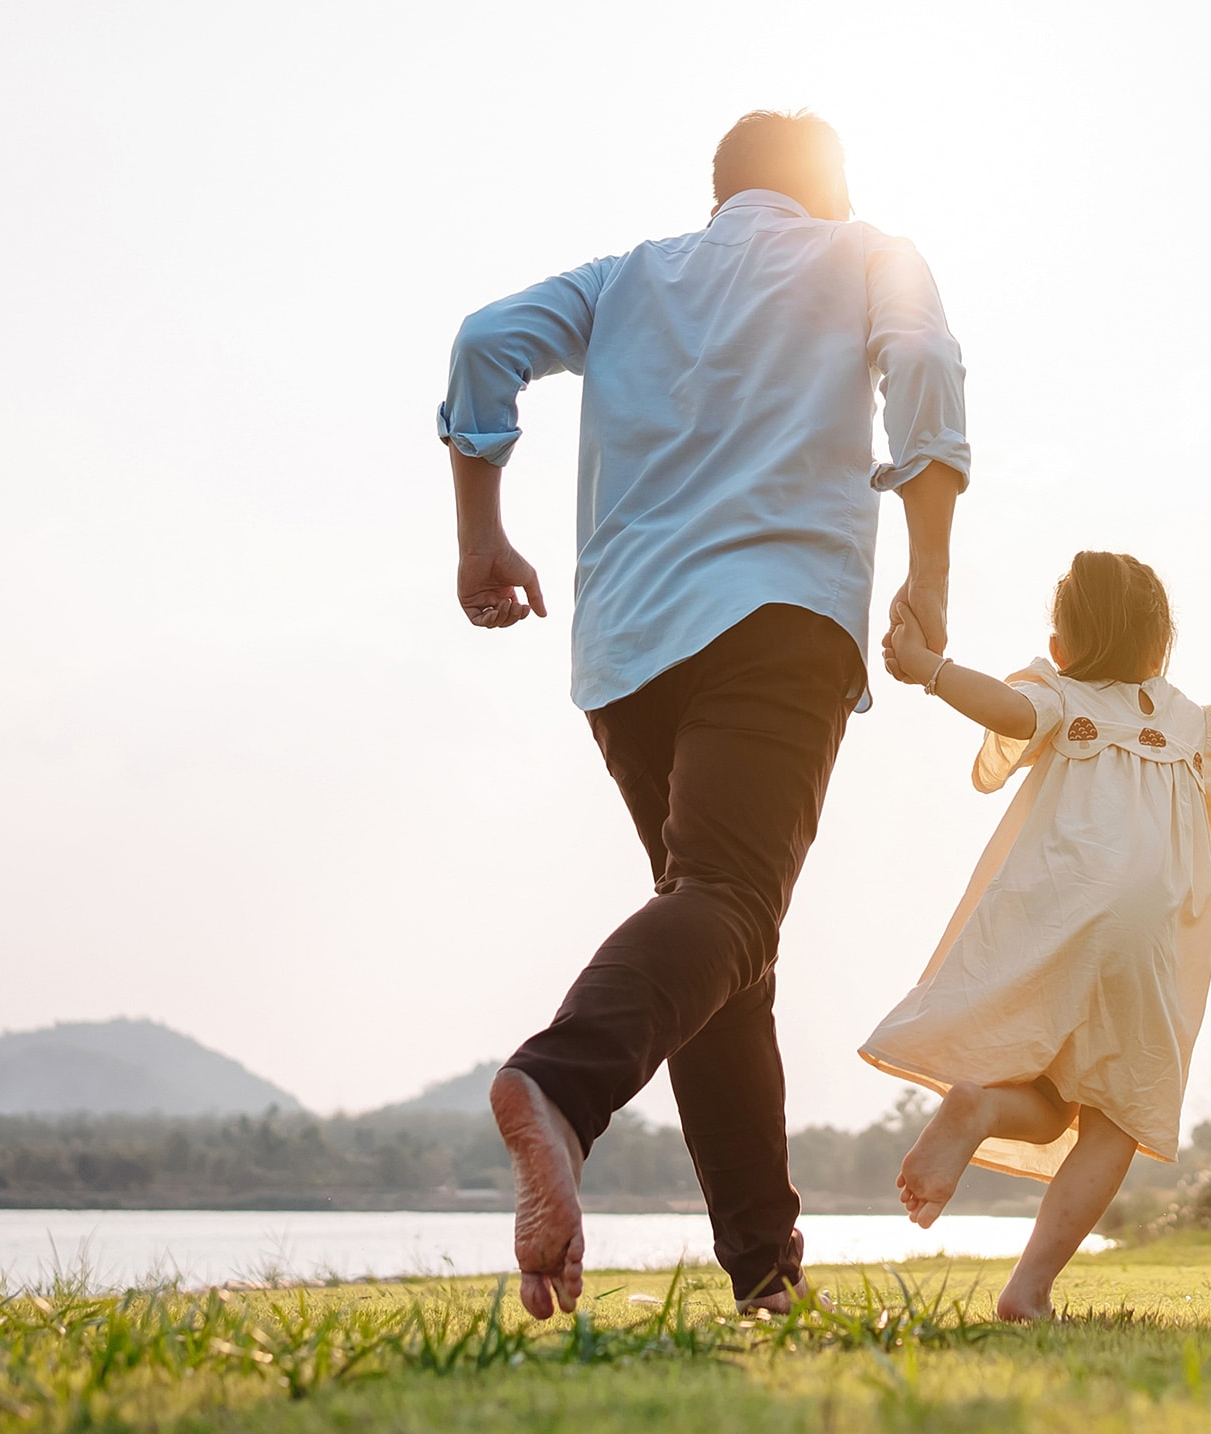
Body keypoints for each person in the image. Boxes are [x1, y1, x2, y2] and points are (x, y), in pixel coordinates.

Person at [434, 110, 970, 1320]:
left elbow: (483, 342)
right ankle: (560, 1092)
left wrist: (481, 539)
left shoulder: (627, 278)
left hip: (626, 651)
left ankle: (766, 1278)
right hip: (777, 616)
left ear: (717, 191)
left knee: (724, 952)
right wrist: (929, 569)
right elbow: (926, 367)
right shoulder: (867, 250)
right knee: (728, 912)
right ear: (828, 188)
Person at [862, 552, 1211, 1321]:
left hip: (1061, 911)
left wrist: (930, 669)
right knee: (1117, 1120)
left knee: (1050, 1100)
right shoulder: (1193, 723)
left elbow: (1010, 715)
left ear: (1062, 646)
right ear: (1160, 647)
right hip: (1146, 936)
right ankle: (1029, 1290)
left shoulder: (1059, 694)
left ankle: (979, 1106)